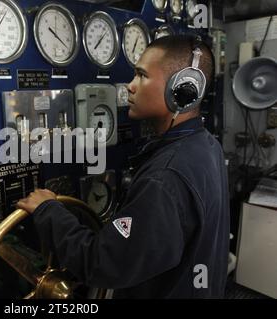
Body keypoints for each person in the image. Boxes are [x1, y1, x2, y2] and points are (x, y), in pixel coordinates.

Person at [17, 35, 230, 298]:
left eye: (141, 76)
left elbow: (102, 264)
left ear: (182, 90)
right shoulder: (206, 145)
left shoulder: (164, 179)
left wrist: (47, 210)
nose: (130, 86)